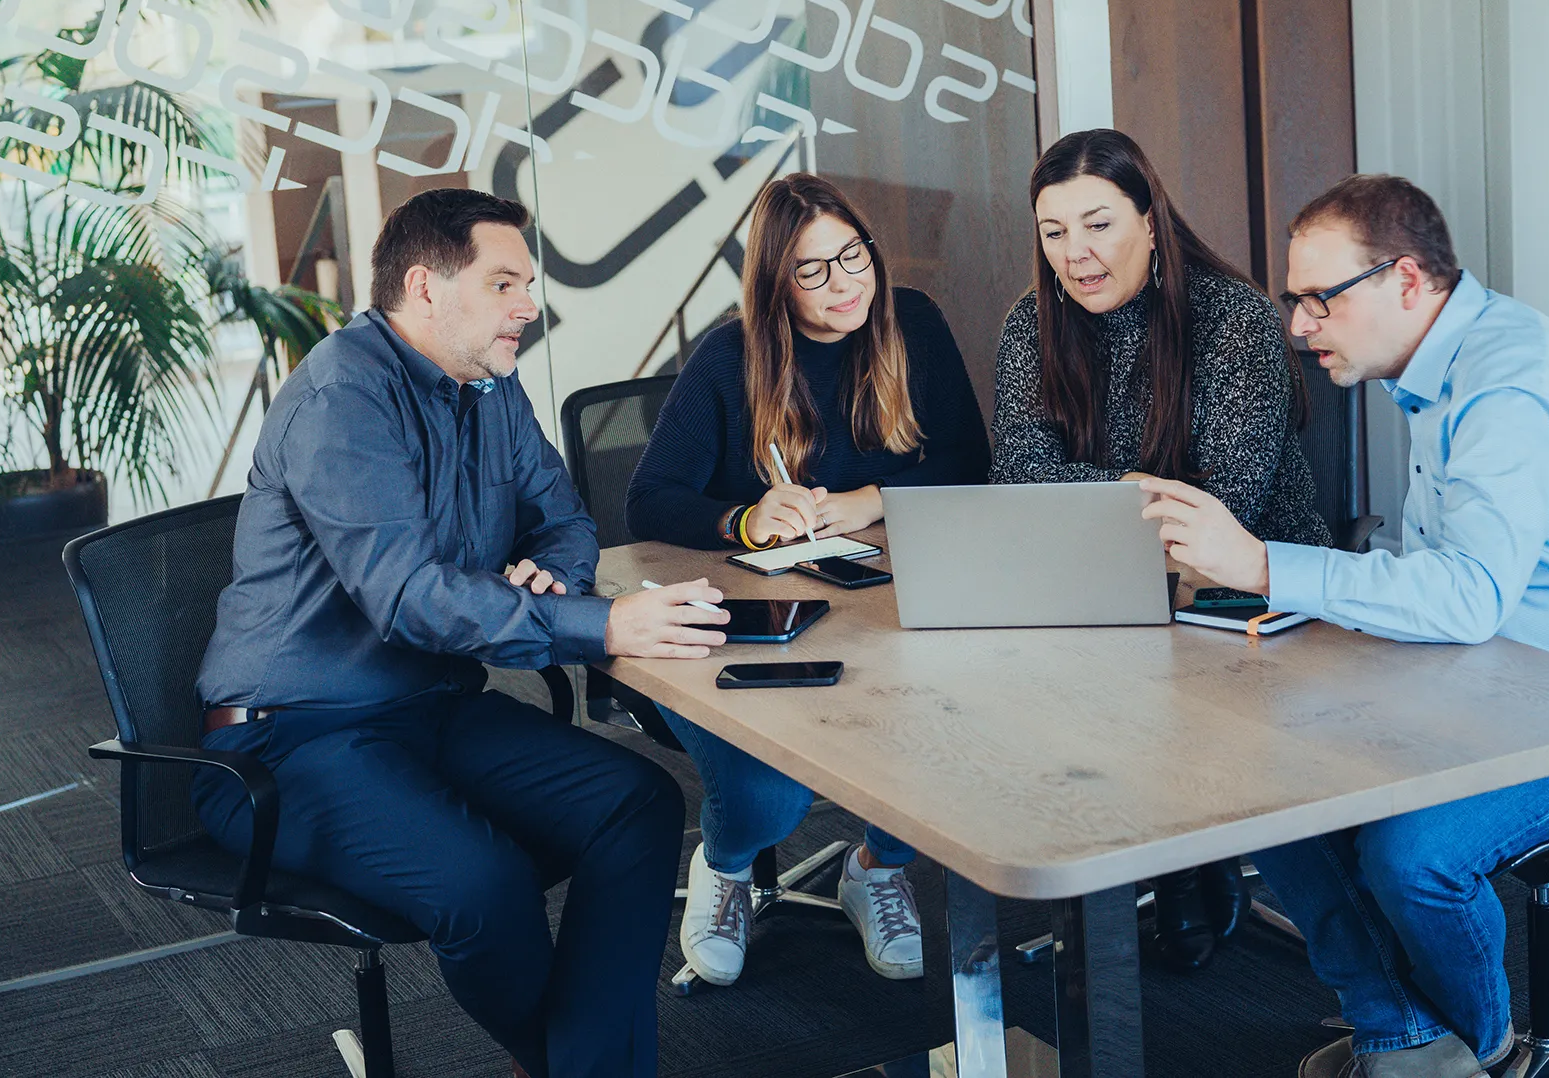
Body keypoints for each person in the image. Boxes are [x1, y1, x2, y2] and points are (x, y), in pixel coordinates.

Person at [1141, 174, 1549, 1078]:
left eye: (1316, 300)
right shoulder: (1439, 367)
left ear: (1406, 282)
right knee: (1261, 782)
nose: (1298, 327)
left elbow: (1468, 597)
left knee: (1412, 854)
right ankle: (1403, 1036)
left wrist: (1258, 563)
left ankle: (1476, 1048)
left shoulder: (1508, 388)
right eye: (1294, 301)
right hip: (1503, 672)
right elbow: (1447, 583)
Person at [192, 189, 731, 1078]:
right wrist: (602, 624)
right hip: (288, 741)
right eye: (505, 282)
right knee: (485, 886)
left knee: (639, 805)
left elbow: (562, 515)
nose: (528, 304)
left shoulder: (490, 387)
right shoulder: (342, 397)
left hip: (428, 706)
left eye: (529, 283)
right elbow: (407, 598)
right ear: (425, 286)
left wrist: (553, 574)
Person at [625, 172, 989, 987]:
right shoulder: (731, 357)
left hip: (878, 610)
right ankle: (724, 871)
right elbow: (648, 498)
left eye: (851, 255)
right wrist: (746, 520)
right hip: (755, 616)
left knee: (955, 734)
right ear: (775, 283)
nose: (844, 282)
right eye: (812, 269)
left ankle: (874, 866)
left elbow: (970, 461)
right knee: (773, 798)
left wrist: (867, 500)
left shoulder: (912, 325)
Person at [989, 127, 1332, 972]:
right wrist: (1140, 493)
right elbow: (1015, 474)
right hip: (1098, 591)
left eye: (1098, 224)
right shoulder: (1033, 323)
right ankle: (1142, 856)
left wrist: (1084, 492)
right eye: (1054, 232)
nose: (1077, 254)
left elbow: (1226, 509)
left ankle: (1191, 853)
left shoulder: (1234, 320)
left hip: (1246, 596)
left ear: (1150, 220)